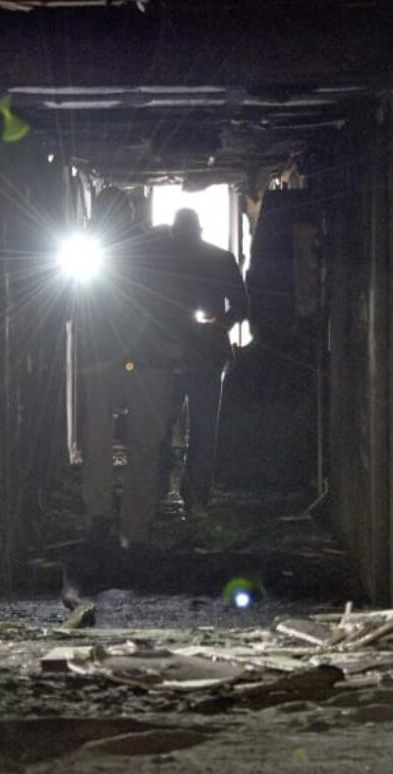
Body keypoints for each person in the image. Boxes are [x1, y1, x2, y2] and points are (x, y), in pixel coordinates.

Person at [72, 187, 181, 547]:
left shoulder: (95, 254)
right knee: (134, 441)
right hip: (136, 357)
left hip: (119, 356)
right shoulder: (148, 251)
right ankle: (126, 523)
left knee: (107, 437)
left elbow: (81, 307)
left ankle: (110, 518)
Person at [166, 207, 249, 517]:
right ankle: (195, 498)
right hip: (204, 354)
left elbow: (149, 307)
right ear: (200, 230)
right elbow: (241, 306)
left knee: (161, 424)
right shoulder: (219, 259)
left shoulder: (165, 262)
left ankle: (157, 491)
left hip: (172, 354)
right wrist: (220, 325)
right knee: (202, 428)